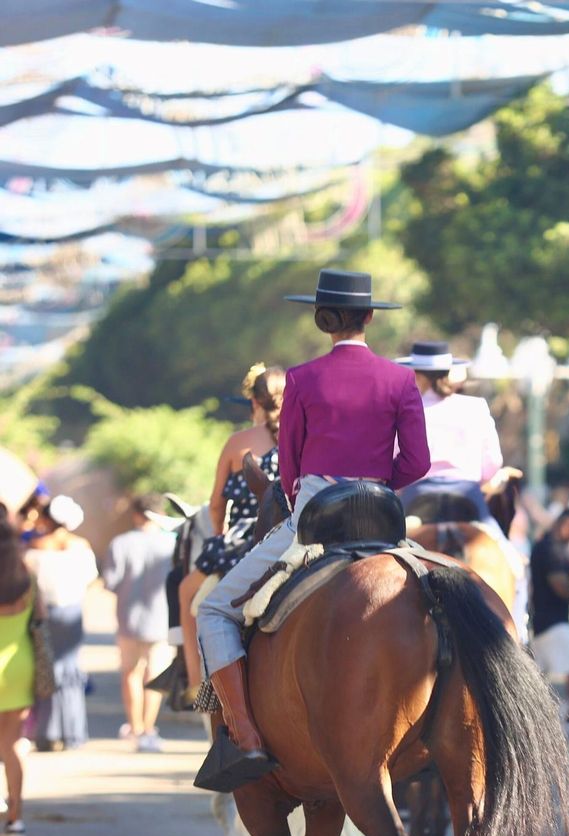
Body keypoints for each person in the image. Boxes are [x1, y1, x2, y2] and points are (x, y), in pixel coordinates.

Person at [195, 268, 429, 791]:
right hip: (385, 519)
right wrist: (376, 486)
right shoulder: (399, 379)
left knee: (210, 608)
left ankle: (247, 738)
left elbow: (291, 464)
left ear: (323, 320)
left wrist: (314, 491)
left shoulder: (301, 378)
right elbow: (417, 461)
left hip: (314, 517)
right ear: (369, 317)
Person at [397, 340, 527, 632]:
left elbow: (396, 463)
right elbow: (491, 466)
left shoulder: (405, 409)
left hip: (417, 500)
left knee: (378, 559)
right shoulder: (475, 407)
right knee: (515, 566)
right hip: (468, 498)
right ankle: (519, 632)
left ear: (417, 374)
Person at [180, 364, 284, 708]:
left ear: (253, 402)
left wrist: (220, 537)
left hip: (246, 537)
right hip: (291, 531)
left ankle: (196, 686)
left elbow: (215, 505)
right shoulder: (304, 435)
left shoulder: (237, 442)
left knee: (186, 594)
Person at [103, 495, 176, 752]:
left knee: (130, 674)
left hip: (129, 619)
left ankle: (134, 727)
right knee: (154, 676)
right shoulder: (172, 544)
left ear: (136, 514)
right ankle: (148, 729)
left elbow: (111, 582)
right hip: (162, 619)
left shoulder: (120, 543)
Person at [26, 496, 97, 751]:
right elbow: (90, 578)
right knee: (70, 669)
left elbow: (31, 586)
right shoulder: (81, 547)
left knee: (46, 668)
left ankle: (47, 732)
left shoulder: (36, 547)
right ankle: (73, 732)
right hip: (72, 613)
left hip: (46, 615)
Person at [0, 507, 39, 836]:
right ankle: (15, 821)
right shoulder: (26, 573)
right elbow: (40, 619)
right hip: (20, 665)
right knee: (11, 745)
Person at [530, 510, 569, 707]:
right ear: (561, 523)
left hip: (542, 622)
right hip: (555, 623)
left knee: (539, 683)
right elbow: (561, 588)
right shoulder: (552, 549)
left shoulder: (544, 545)